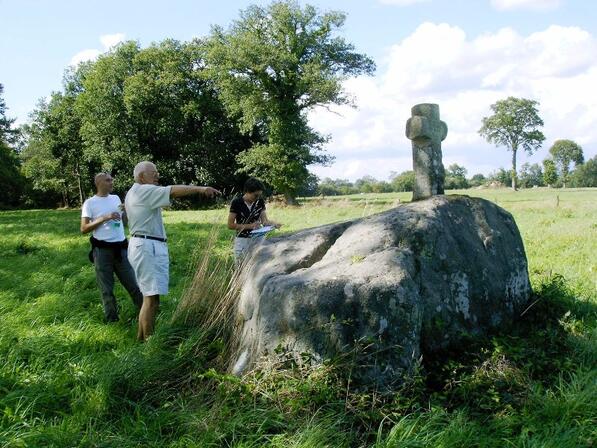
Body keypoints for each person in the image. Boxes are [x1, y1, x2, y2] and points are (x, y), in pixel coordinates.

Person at [125, 161, 221, 341]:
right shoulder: (143, 190)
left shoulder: (135, 192)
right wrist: (201, 189)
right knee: (152, 300)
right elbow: (172, 191)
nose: (157, 175)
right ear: (141, 177)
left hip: (144, 245)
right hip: (147, 247)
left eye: (157, 172)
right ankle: (149, 346)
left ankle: (140, 341)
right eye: (153, 173)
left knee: (149, 298)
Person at [81, 172, 143, 322]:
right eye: (108, 180)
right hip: (102, 252)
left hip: (121, 250)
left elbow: (125, 222)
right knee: (107, 290)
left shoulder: (115, 198)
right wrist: (105, 217)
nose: (111, 182)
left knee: (134, 285)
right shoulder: (90, 203)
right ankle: (112, 321)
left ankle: (146, 314)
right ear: (99, 183)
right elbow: (84, 228)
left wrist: (126, 210)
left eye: (111, 179)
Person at [228, 177, 281, 264]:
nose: (258, 198)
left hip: (258, 240)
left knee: (259, 265)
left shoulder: (259, 202)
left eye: (259, 195)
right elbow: (230, 225)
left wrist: (274, 224)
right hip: (242, 240)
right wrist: (250, 226)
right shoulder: (236, 203)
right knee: (240, 266)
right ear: (247, 191)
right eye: (255, 195)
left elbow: (264, 222)